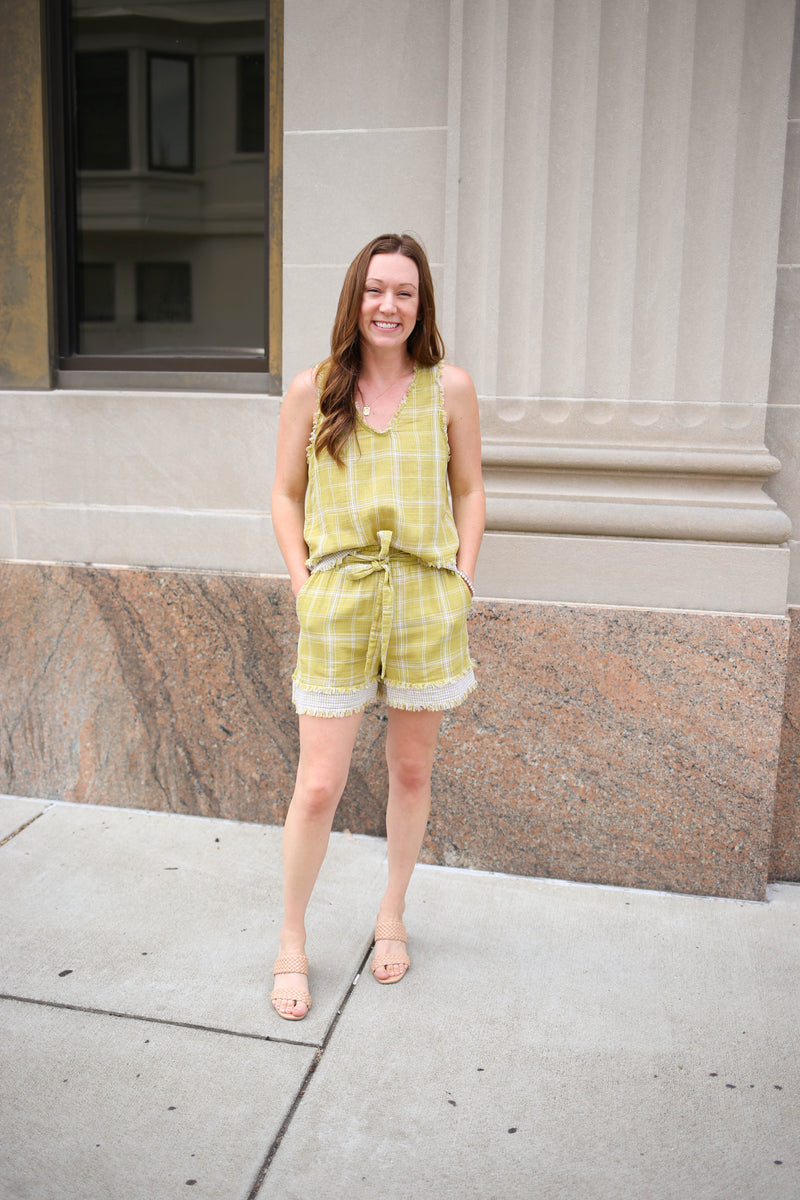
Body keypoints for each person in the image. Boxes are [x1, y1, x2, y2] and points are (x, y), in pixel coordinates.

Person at [270, 232, 484, 1019]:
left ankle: (391, 915)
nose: (387, 305)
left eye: (404, 292)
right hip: (340, 600)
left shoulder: (448, 388)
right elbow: (285, 494)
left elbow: (470, 491)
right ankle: (292, 939)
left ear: (420, 305)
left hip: (426, 600)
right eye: (375, 290)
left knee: (411, 773)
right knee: (319, 784)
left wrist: (461, 577)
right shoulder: (314, 389)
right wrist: (304, 582)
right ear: (353, 298)